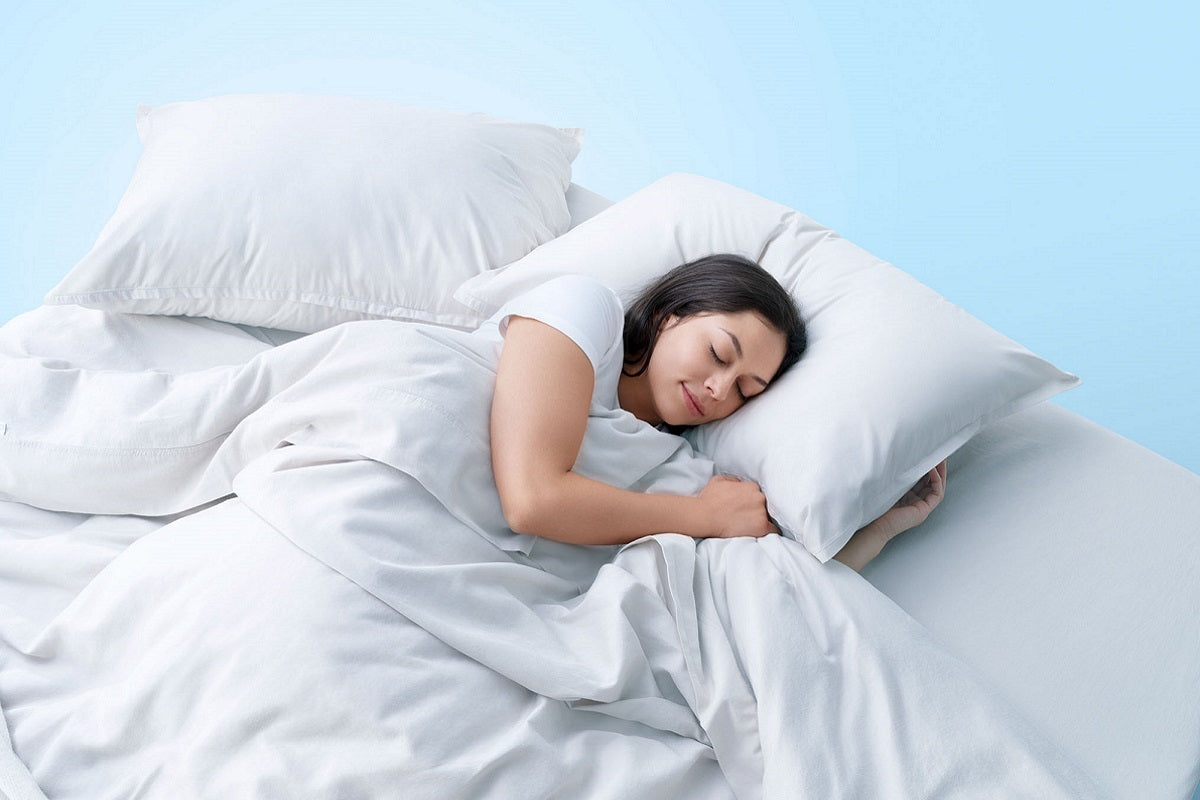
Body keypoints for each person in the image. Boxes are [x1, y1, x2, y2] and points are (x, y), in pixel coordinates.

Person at [488, 254, 946, 571]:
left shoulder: (672, 464)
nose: (719, 389)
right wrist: (705, 517)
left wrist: (881, 530)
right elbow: (533, 499)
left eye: (746, 390)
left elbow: (770, 584)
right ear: (671, 312)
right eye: (719, 353)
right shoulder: (584, 309)